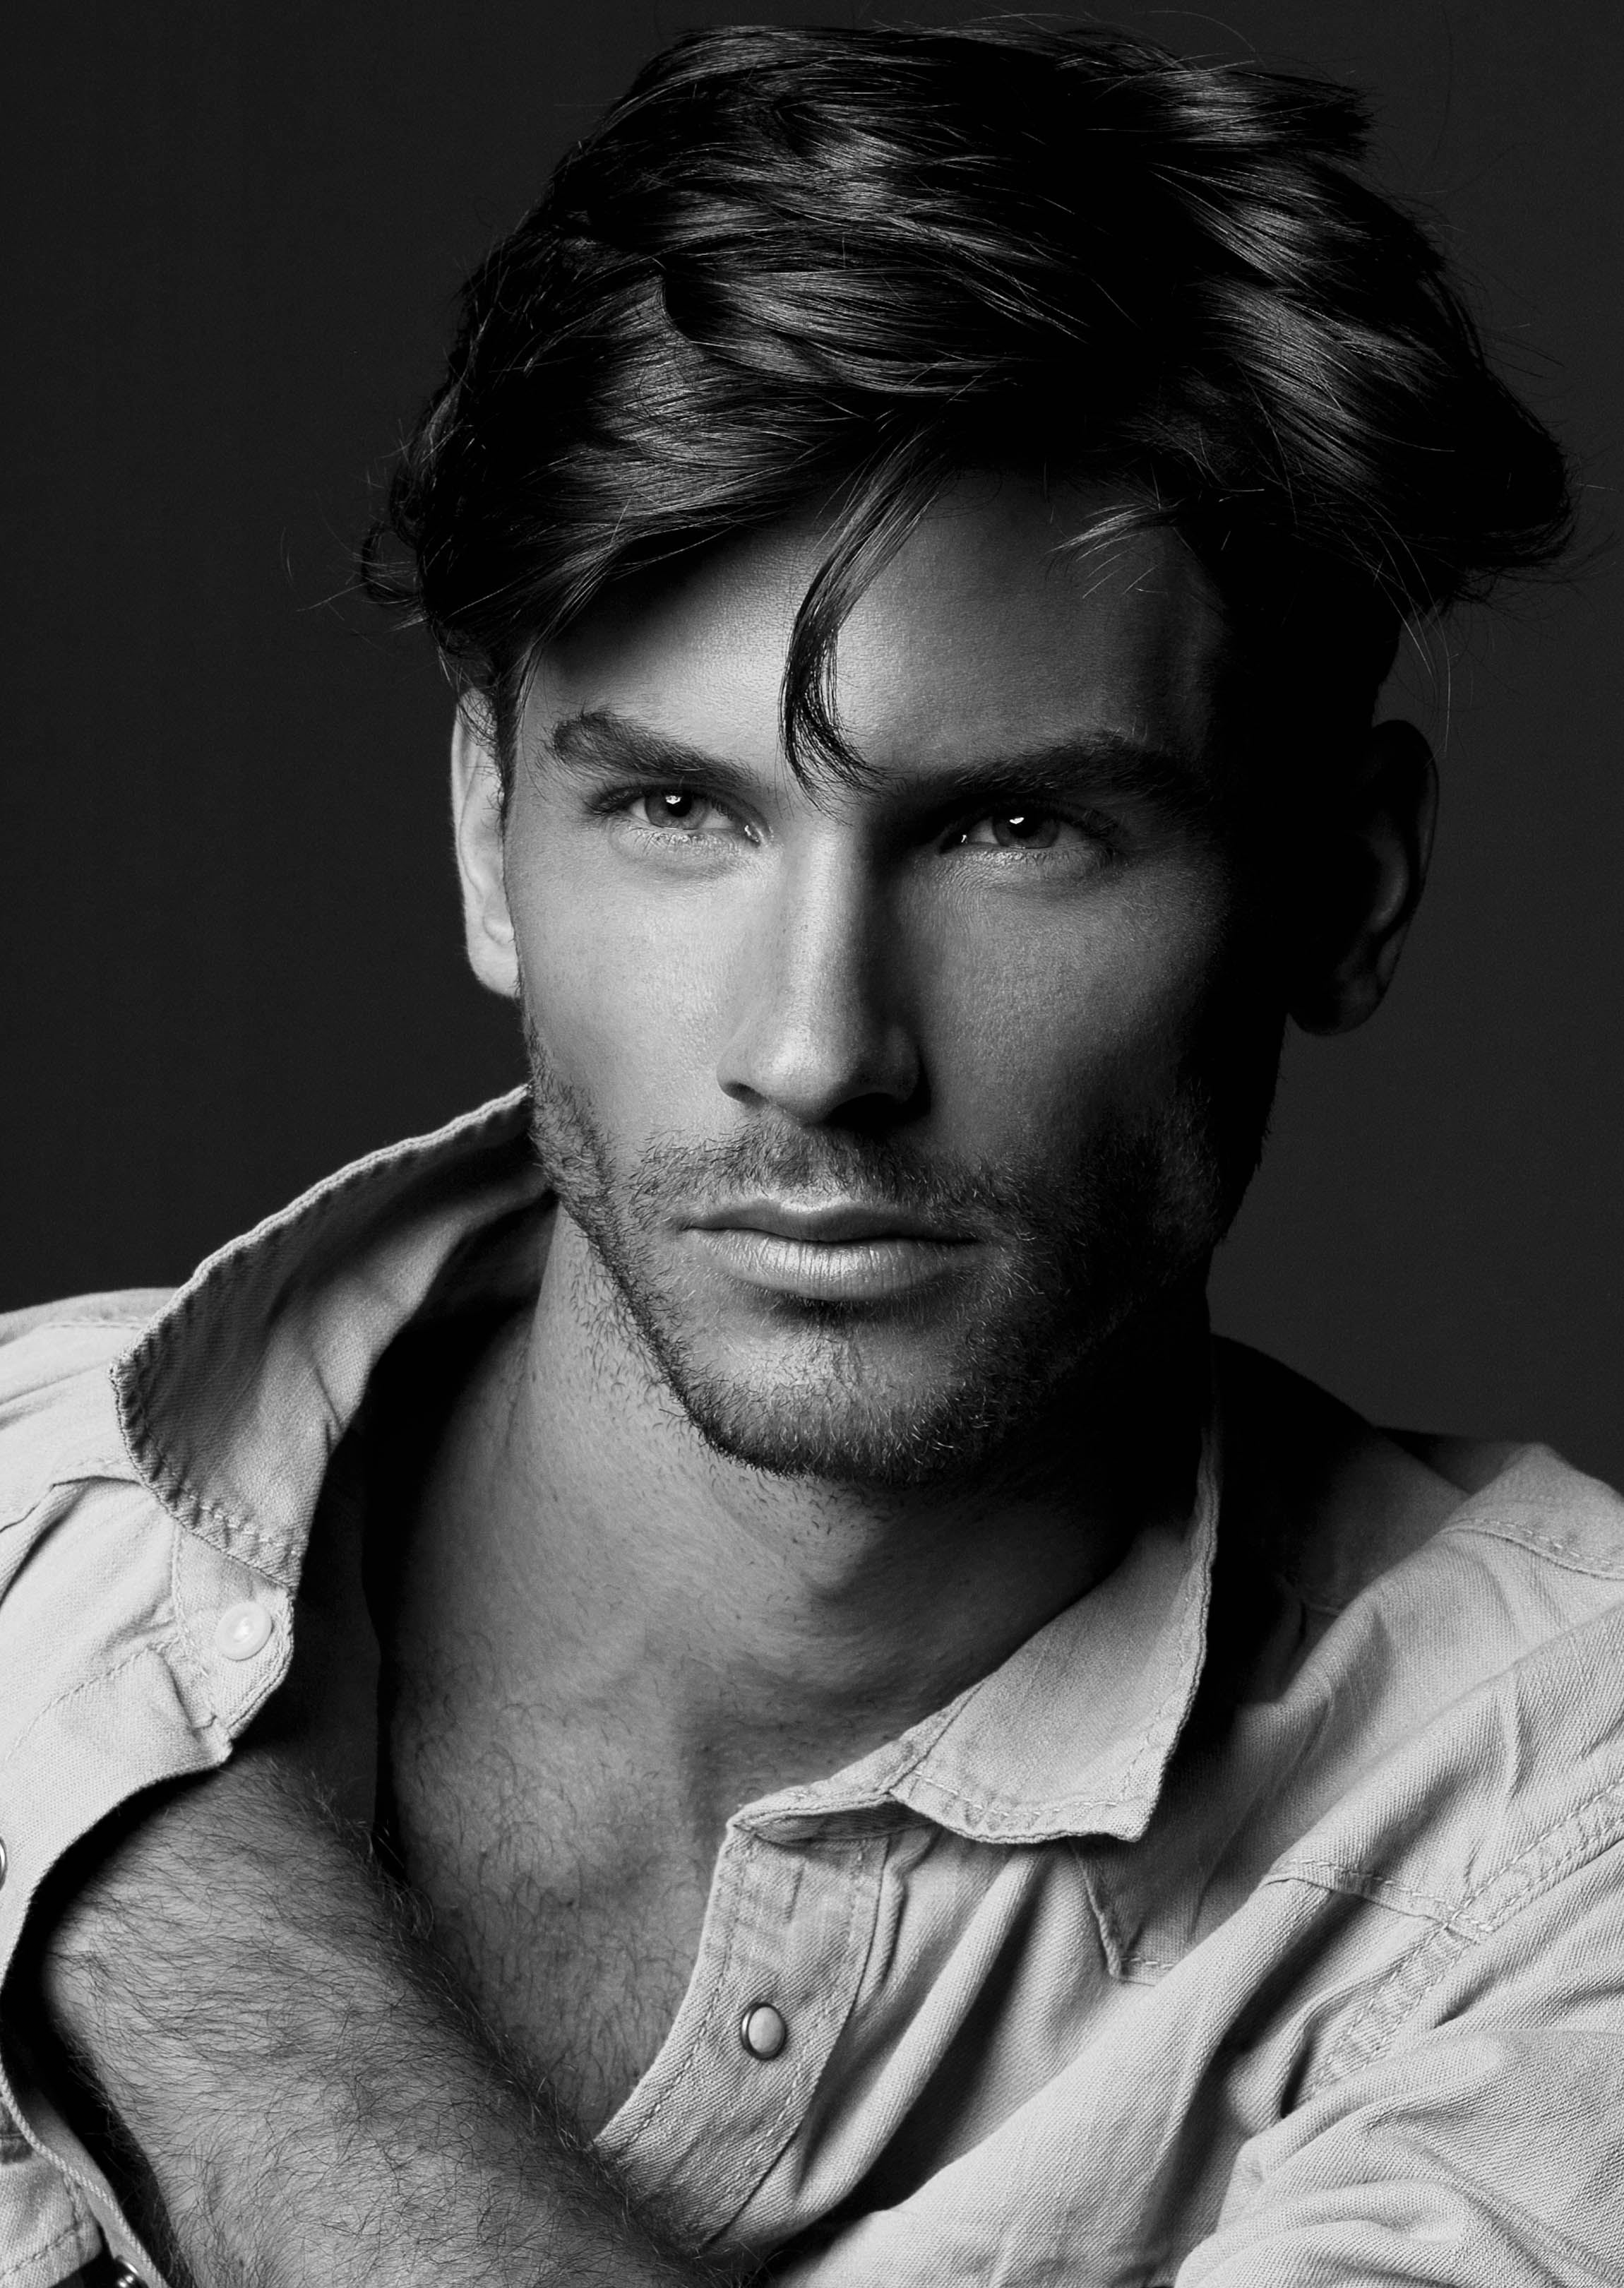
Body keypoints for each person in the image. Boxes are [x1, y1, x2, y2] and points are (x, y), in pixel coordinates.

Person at [1, 20, 1618, 2287]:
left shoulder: (1554, 1822)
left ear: (1339, 886)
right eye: (676, 808)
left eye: (1014, 828)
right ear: (487, 837)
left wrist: (164, 1946)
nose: (816, 1051)